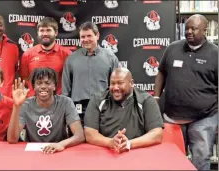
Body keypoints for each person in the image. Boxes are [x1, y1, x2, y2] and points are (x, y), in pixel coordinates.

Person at [154, 14, 218, 170]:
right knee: (171, 160)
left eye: (194, 28)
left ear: (205, 30)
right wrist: (156, 97)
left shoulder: (215, 54)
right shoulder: (173, 48)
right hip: (171, 117)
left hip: (204, 118)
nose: (189, 31)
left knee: (201, 160)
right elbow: (161, 72)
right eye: (187, 28)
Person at [85, 68, 163, 153]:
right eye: (112, 83)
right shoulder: (97, 99)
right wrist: (110, 142)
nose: (115, 87)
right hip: (105, 153)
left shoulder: (146, 100)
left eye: (120, 83)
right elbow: (89, 133)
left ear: (131, 83)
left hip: (137, 153)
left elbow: (157, 134)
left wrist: (129, 143)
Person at [7, 68, 85, 153]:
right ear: (33, 87)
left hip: (58, 151)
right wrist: (16, 105)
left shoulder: (65, 102)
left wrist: (61, 144)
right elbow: (12, 139)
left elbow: (79, 135)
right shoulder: (25, 104)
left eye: (47, 83)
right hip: (32, 153)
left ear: (55, 86)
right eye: (39, 83)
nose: (43, 86)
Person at [62, 21, 119, 125]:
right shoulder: (71, 59)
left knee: (101, 140)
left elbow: (117, 86)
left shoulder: (111, 58)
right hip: (77, 110)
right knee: (79, 140)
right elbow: (66, 89)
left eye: (89, 36)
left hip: (104, 108)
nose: (86, 39)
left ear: (97, 35)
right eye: (83, 37)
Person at [20, 17, 72, 96]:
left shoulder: (66, 54)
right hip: (34, 102)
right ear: (38, 33)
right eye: (42, 30)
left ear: (56, 32)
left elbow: (70, 80)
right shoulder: (27, 54)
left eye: (48, 30)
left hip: (58, 102)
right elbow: (25, 79)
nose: (45, 34)